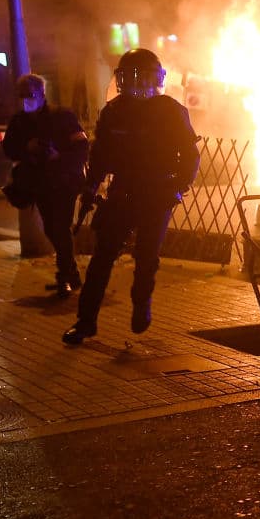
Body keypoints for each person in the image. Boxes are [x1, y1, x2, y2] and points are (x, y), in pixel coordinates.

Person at [62, 48, 200, 345]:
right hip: (123, 191)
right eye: (131, 78)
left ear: (156, 79)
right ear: (122, 80)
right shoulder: (114, 112)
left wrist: (179, 185)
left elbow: (190, 155)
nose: (138, 85)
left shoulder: (171, 110)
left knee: (147, 257)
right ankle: (85, 322)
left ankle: (141, 303)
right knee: (102, 259)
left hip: (157, 193)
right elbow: (99, 156)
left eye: (144, 78)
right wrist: (90, 187)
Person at [2, 74, 89, 297]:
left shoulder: (62, 116)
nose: (25, 101)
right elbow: (9, 149)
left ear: (41, 94)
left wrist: (57, 157)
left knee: (60, 227)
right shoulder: (19, 121)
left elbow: (81, 149)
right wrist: (26, 147)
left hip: (64, 183)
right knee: (51, 228)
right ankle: (71, 273)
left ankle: (64, 276)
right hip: (40, 185)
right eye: (21, 96)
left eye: (29, 96)